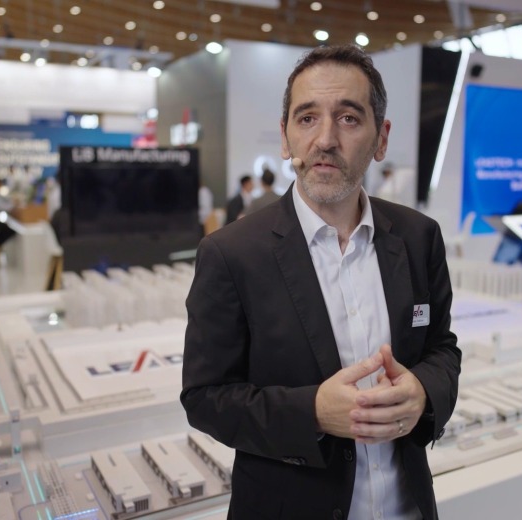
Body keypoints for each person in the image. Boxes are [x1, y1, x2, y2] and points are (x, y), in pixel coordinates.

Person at [181, 45, 461, 520]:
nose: (326, 139)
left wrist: (423, 392)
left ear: (381, 138)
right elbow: (204, 398)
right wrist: (312, 411)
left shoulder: (418, 238)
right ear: (286, 136)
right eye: (307, 118)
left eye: (349, 118)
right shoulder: (232, 254)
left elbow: (442, 350)